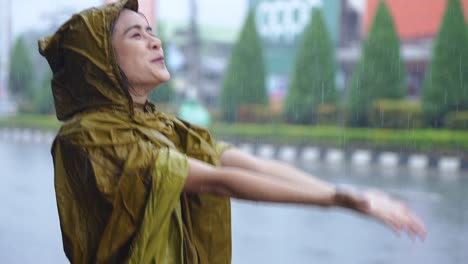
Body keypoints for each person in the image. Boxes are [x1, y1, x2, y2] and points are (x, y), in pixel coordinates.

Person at [39, 0, 426, 263]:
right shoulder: (91, 136)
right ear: (102, 62)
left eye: (151, 31)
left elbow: (244, 163)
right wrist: (340, 202)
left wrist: (345, 192)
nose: (155, 41)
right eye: (136, 36)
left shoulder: (158, 125)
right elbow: (219, 182)